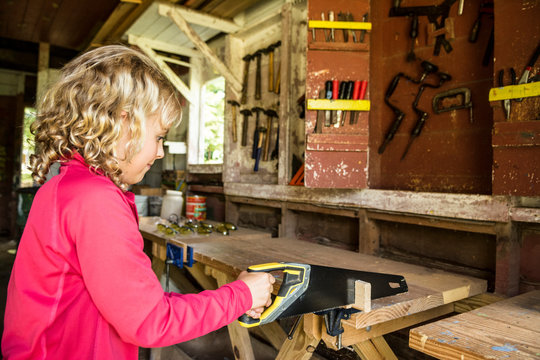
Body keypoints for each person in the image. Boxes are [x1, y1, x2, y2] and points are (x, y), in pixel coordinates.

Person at [2, 45, 275, 359]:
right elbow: (150, 321)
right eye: (159, 136)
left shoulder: (67, 185)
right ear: (124, 124)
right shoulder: (96, 200)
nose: (160, 152)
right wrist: (241, 295)